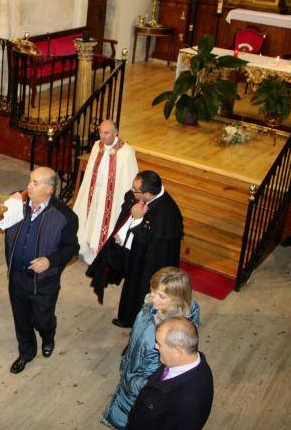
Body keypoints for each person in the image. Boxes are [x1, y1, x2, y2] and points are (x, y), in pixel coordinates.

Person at [100, 267, 200, 429]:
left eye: (161, 296)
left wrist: (139, 384)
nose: (154, 298)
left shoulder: (176, 332)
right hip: (132, 372)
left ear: (178, 298)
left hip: (143, 387)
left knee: (135, 420)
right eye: (152, 291)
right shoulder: (152, 306)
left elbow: (169, 372)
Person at [4, 166, 78, 374]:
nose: (28, 186)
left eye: (35, 183)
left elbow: (72, 249)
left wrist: (50, 260)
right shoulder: (17, 204)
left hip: (44, 282)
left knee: (42, 319)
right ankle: (26, 353)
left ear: (50, 189)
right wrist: (4, 207)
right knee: (21, 318)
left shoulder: (65, 216)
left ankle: (48, 335)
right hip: (17, 276)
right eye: (30, 180)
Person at [86, 170, 183, 328]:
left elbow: (150, 242)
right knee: (131, 287)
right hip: (136, 257)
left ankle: (138, 324)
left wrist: (138, 220)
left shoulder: (166, 214)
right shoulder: (145, 198)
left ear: (148, 193)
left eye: (135, 190)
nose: (132, 192)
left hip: (150, 265)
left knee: (141, 292)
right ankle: (126, 317)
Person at [127, 317, 214, 430]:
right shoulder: (184, 361)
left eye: (159, 344)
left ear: (177, 351)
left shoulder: (187, 405)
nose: (155, 346)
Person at [72, 119, 138, 265]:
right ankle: (89, 247)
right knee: (92, 220)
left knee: (106, 222)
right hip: (95, 193)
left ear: (116, 133)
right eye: (100, 132)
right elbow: (90, 172)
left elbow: (129, 178)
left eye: (106, 133)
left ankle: (102, 253)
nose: (102, 136)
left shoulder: (126, 152)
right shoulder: (97, 146)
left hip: (112, 197)